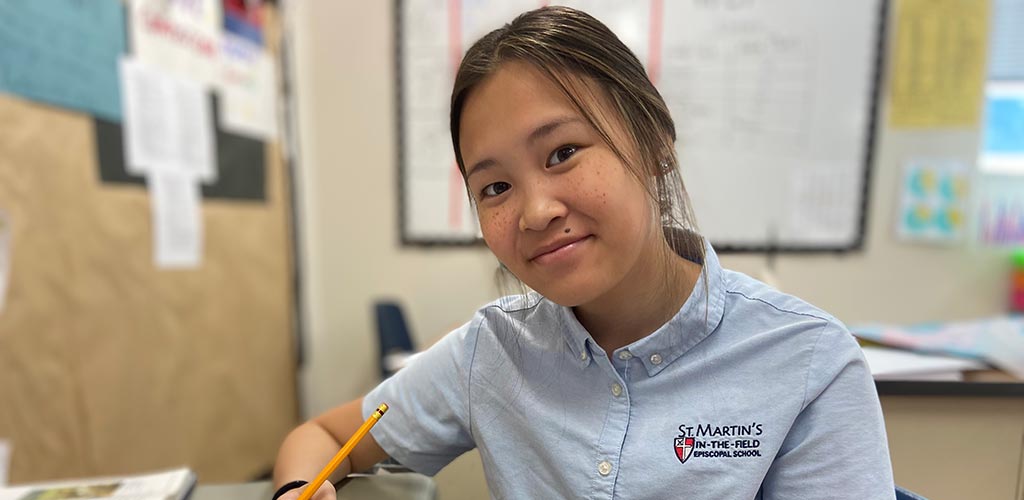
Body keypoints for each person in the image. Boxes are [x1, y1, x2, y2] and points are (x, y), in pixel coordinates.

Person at [272, 6, 895, 500]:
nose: (536, 209)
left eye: (563, 152)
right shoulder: (492, 353)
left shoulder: (809, 362)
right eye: (495, 187)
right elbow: (326, 436)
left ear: (654, 141)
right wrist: (300, 489)